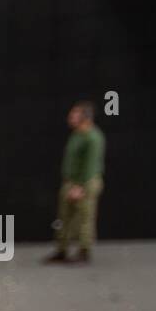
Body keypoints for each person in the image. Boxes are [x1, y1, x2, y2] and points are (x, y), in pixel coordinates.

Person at [47, 100, 105, 264]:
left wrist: (80, 187)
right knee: (64, 217)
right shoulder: (77, 135)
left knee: (84, 218)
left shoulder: (93, 138)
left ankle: (84, 250)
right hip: (71, 182)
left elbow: (90, 165)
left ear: (85, 118)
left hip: (85, 183)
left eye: (75, 114)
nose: (71, 117)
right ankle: (62, 249)